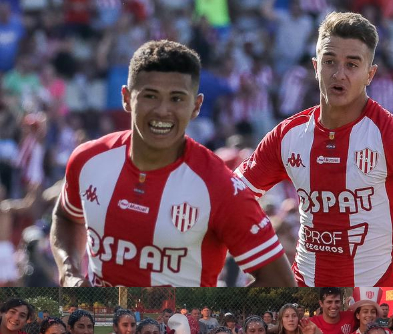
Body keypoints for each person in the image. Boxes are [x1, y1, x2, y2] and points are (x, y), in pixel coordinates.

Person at [233, 11, 393, 286]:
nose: (339, 73)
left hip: (375, 308)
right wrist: (263, 265)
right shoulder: (288, 135)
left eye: (352, 64)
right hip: (304, 299)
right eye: (329, 61)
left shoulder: (390, 137)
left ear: (370, 74)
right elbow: (230, 197)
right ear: (315, 66)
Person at [51, 40, 293, 286]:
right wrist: (69, 273)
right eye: (150, 96)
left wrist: (216, 319)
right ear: (126, 98)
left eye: (177, 99)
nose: (162, 110)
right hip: (99, 325)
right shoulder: (88, 160)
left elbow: (281, 282)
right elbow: (67, 217)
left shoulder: (219, 187)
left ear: (196, 106)